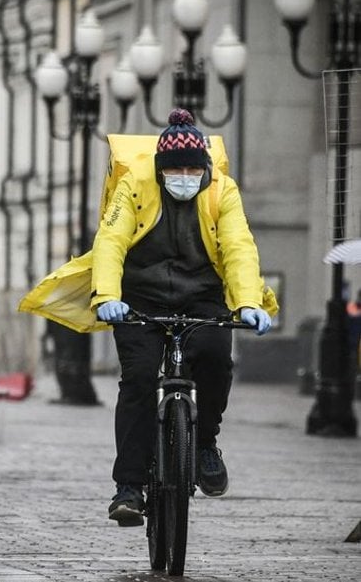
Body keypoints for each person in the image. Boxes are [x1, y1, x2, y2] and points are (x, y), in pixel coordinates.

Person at [91, 109, 276, 527]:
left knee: (214, 358)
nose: (186, 175)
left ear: (207, 169)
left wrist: (248, 301)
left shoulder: (221, 192)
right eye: (176, 168)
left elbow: (238, 248)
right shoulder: (133, 185)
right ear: (160, 170)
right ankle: (129, 488)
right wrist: (107, 295)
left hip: (201, 296)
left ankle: (205, 443)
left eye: (195, 168)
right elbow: (110, 240)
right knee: (138, 379)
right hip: (140, 298)